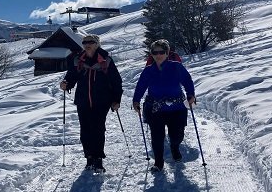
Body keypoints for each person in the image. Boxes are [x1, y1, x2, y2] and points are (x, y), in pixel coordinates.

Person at [60, 34, 123, 173]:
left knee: (98, 129)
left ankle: (98, 159)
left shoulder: (106, 60)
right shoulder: (78, 60)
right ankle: (89, 158)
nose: (87, 44)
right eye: (84, 42)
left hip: (102, 101)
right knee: (85, 130)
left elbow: (116, 81)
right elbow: (71, 76)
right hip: (83, 100)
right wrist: (66, 83)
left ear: (97, 44)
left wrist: (116, 99)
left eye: (91, 42)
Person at [132, 39, 195, 172]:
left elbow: (187, 80)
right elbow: (141, 86)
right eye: (155, 52)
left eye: (161, 52)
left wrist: (191, 94)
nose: (158, 55)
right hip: (155, 108)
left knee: (177, 134)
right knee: (157, 136)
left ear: (167, 53)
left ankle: (175, 147)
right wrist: (136, 100)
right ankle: (158, 162)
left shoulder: (176, 66)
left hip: (177, 107)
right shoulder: (149, 70)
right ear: (152, 54)